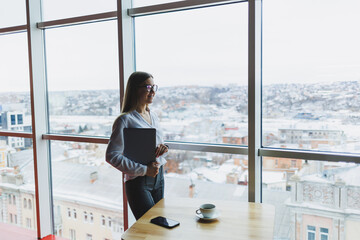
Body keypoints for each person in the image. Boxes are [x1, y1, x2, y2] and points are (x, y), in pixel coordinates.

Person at [105, 71, 168, 220]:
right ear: (135, 89)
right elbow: (111, 156)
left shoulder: (153, 115)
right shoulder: (124, 120)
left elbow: (157, 144)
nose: (152, 91)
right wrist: (145, 170)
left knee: (160, 225)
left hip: (159, 177)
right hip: (138, 181)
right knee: (149, 227)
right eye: (147, 87)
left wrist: (163, 148)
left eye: (154, 87)